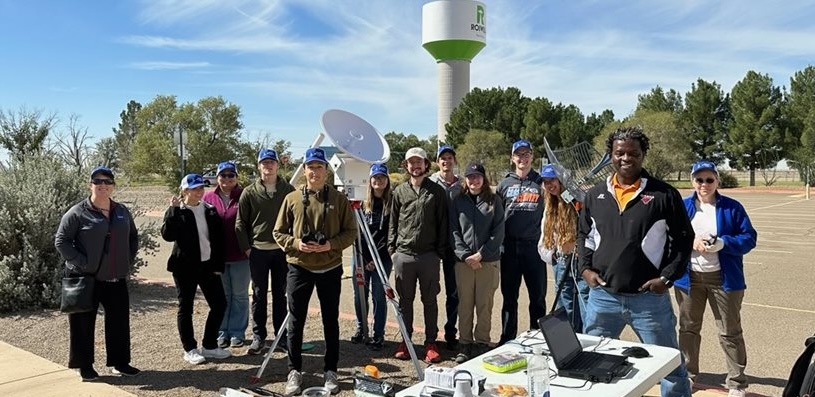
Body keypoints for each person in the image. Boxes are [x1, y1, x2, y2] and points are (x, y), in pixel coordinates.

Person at [577, 126, 693, 397]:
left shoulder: (664, 195)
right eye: (620, 153)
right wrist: (585, 268)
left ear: (643, 155)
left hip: (648, 301)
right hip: (603, 298)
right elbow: (585, 235)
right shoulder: (595, 195)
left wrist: (667, 278)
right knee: (593, 359)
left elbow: (684, 239)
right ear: (610, 155)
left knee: (669, 365)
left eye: (633, 153)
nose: (626, 158)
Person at [273, 147, 357, 395]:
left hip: (330, 267)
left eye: (319, 167)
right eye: (310, 167)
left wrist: (331, 244)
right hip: (299, 267)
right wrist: (296, 244)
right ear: (305, 170)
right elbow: (278, 232)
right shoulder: (292, 199)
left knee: (330, 321)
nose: (314, 172)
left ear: (326, 171)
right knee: (295, 322)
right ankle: (294, 371)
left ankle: (330, 371)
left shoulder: (339, 200)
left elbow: (350, 232)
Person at [673, 160, 757, 397]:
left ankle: (737, 382)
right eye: (699, 180)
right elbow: (671, 235)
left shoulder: (732, 207)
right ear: (693, 181)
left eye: (709, 180)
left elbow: (749, 238)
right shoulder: (683, 206)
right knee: (688, 329)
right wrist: (691, 242)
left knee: (730, 331)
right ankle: (688, 374)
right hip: (690, 279)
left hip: (724, 279)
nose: (704, 185)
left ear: (717, 180)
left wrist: (723, 243)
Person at [55, 166, 141, 381]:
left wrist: (126, 260)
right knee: (82, 323)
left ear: (113, 186)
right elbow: (62, 241)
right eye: (98, 181)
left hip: (115, 276)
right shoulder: (78, 212)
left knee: (119, 322)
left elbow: (132, 237)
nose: (103, 185)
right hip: (85, 278)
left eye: (107, 181)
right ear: (90, 185)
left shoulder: (121, 211)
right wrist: (81, 263)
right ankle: (84, 365)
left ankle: (120, 362)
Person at [161, 173, 232, 365]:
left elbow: (217, 240)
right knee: (186, 308)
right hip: (184, 268)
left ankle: (209, 345)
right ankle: (190, 349)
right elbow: (168, 235)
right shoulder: (177, 210)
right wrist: (173, 210)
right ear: (184, 190)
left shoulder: (209, 209)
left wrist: (218, 265)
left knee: (219, 305)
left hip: (208, 266)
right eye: (194, 189)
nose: (199, 192)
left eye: (201, 188)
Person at [388, 147, 449, 363]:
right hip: (404, 255)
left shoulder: (437, 192)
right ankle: (405, 340)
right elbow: (392, 222)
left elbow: (443, 224)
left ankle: (431, 342)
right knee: (405, 301)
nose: (415, 166)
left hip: (428, 256)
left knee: (430, 300)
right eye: (411, 162)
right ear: (406, 166)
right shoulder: (399, 191)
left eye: (419, 162)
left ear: (425, 165)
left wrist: (438, 253)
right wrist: (392, 250)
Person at [235, 149, 295, 355]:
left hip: (281, 251)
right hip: (258, 252)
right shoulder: (250, 192)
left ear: (277, 165)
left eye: (271, 162)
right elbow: (240, 223)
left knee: (281, 295)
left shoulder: (288, 190)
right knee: (259, 295)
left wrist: (291, 246)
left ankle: (281, 336)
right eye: (264, 163)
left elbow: (296, 219)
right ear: (259, 166)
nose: (268, 166)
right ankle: (258, 337)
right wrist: (247, 249)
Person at [449, 162, 505, 363]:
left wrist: (481, 255)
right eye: (470, 176)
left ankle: (481, 342)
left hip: (487, 262)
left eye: (477, 176)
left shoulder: (494, 201)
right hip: (464, 263)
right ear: (465, 179)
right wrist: (465, 255)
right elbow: (454, 231)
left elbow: (498, 232)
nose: (474, 180)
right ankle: (464, 343)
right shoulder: (458, 201)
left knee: (484, 304)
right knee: (465, 304)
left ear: (483, 178)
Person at [496, 139, 546, 345]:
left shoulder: (541, 182)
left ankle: (537, 337)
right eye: (519, 155)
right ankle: (508, 338)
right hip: (509, 248)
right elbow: (496, 216)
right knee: (509, 298)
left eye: (526, 154)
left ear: (532, 156)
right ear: (512, 158)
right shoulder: (504, 184)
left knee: (537, 297)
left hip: (534, 247)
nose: (522, 158)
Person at [202, 161, 249, 348]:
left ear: (236, 177)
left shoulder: (245, 196)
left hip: (240, 256)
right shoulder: (208, 198)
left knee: (239, 295)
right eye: (223, 175)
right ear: (217, 177)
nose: (227, 179)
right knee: (222, 297)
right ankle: (222, 332)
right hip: (217, 258)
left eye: (231, 175)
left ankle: (237, 332)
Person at [537, 164, 589, 333]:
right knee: (565, 305)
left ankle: (588, 340)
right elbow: (546, 232)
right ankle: (570, 342)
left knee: (585, 302)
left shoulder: (575, 199)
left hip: (579, 261)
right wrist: (550, 254)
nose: (549, 184)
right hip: (560, 261)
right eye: (545, 181)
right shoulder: (550, 204)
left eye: (552, 180)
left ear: (561, 180)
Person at [350, 163, 393, 351]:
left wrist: (376, 261)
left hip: (382, 258)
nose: (378, 181)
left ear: (387, 180)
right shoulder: (361, 203)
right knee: (360, 295)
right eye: (375, 177)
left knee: (378, 295)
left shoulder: (391, 204)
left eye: (382, 178)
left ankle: (378, 334)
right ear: (370, 180)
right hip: (361, 256)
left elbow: (391, 234)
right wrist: (365, 258)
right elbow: (355, 233)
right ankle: (362, 328)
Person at [428, 144, 462, 350]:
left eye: (449, 158)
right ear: (437, 162)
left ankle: (451, 332)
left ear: (454, 161)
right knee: (430, 290)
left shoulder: (462, 185)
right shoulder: (430, 182)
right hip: (432, 244)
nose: (446, 161)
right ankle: (430, 335)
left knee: (453, 292)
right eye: (442, 158)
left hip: (453, 245)